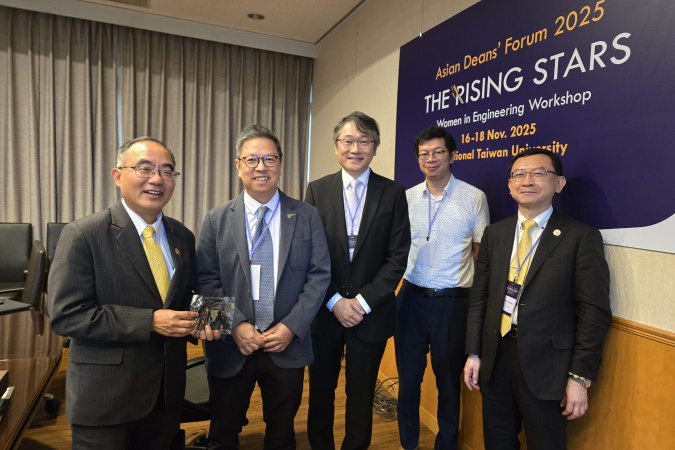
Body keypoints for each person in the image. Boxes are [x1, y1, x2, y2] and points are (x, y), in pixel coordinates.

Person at [49, 136, 200, 449]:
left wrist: (213, 320)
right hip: (106, 400)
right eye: (145, 169)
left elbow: (187, 295)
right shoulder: (83, 234)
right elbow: (67, 316)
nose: (157, 179)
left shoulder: (182, 236)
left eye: (167, 171)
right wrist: (150, 321)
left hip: (166, 398)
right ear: (118, 176)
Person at [463, 147, 612, 450]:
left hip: (548, 367)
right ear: (510, 184)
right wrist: (474, 352)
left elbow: (593, 313)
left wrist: (579, 377)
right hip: (496, 357)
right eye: (519, 174)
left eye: (538, 173)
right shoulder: (495, 234)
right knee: (497, 442)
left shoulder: (580, 237)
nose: (527, 181)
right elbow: (480, 298)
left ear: (559, 183)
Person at [195, 124, 331, 449]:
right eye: (252, 159)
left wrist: (291, 327)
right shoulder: (215, 219)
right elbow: (203, 280)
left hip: (286, 345)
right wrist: (235, 325)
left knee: (282, 436)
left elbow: (319, 276)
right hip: (230, 346)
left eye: (269, 159)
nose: (261, 167)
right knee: (222, 434)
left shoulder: (307, 215)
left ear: (280, 164)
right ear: (238, 165)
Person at [305, 111, 411, 449]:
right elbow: (309, 254)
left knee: (361, 394)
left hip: (371, 313)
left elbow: (397, 257)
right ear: (336, 146)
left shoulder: (393, 193)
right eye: (348, 141)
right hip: (325, 311)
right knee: (320, 392)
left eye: (364, 141)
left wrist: (362, 303)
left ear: (375, 147)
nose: (355, 148)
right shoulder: (317, 190)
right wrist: (335, 301)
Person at [395, 126, 489, 450]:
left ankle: (446, 445)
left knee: (449, 384)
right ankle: (408, 444)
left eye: (438, 152)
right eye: (424, 154)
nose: (430, 158)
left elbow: (479, 255)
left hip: (452, 303)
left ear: (452, 156)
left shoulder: (474, 198)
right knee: (408, 381)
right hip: (410, 298)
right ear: (418, 159)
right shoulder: (407, 198)